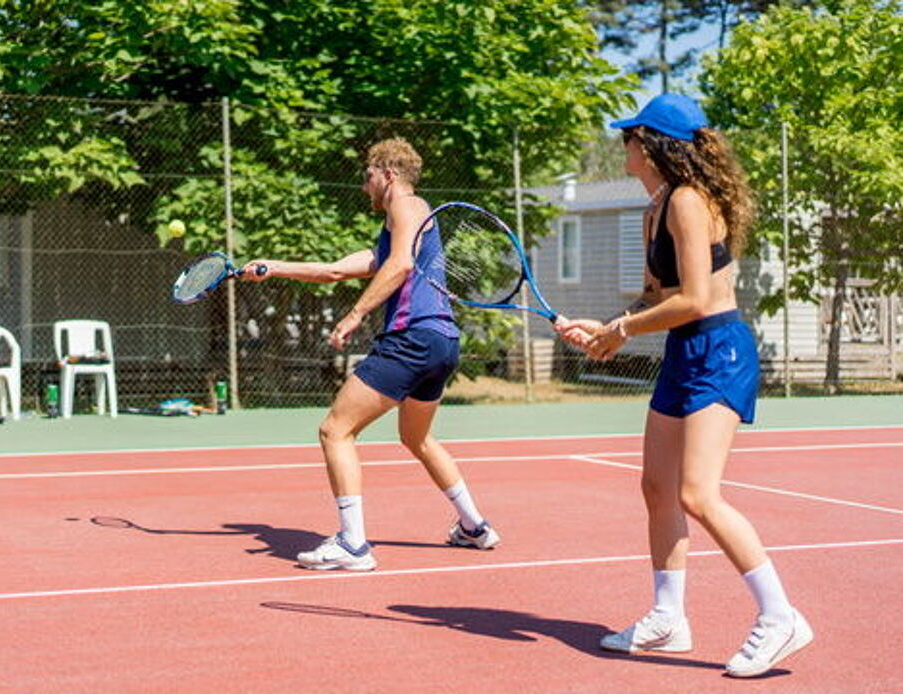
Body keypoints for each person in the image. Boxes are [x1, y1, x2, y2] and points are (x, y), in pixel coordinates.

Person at [554, 94, 812, 678]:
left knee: (698, 494)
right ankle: (669, 617)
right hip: (684, 352)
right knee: (657, 487)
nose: (623, 145)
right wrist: (605, 328)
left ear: (650, 146)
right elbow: (660, 298)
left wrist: (622, 330)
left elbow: (696, 299)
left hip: (719, 350)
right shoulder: (657, 207)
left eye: (629, 136)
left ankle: (781, 615)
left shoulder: (690, 202)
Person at [241, 137, 499, 572]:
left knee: (335, 430)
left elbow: (400, 266)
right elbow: (334, 270)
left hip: (412, 339)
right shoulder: (398, 232)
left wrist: (355, 314)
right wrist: (274, 267)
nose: (364, 187)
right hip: (441, 342)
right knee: (416, 438)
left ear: (388, 175)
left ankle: (353, 544)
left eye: (368, 176)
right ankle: (475, 526)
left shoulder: (408, 206)